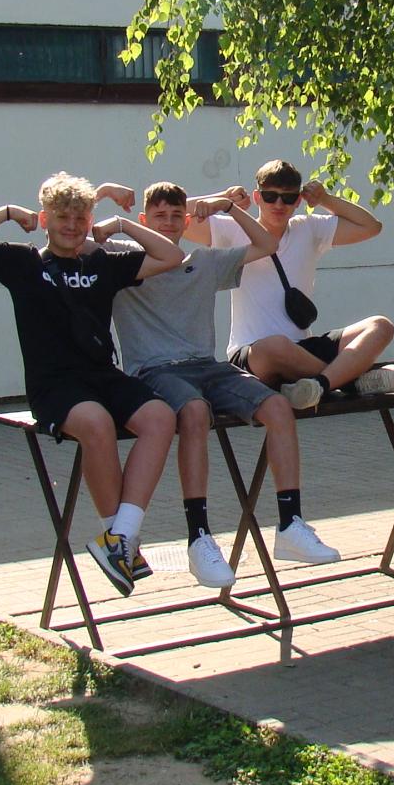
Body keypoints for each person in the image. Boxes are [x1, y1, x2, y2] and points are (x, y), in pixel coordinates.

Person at [0, 174, 184, 597]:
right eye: (61, 217)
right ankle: (118, 540)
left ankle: (121, 537)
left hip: (103, 375)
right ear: (45, 220)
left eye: (79, 218)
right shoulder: (23, 263)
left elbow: (171, 255)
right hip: (54, 385)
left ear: (89, 221)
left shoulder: (102, 263)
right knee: (96, 423)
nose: (71, 226)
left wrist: (120, 225)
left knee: (161, 417)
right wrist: (6, 213)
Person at [109, 181, 341, 588]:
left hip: (207, 366)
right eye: (159, 216)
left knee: (278, 408)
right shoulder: (124, 261)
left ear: (187, 220)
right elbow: (73, 235)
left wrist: (229, 209)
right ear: (144, 220)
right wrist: (110, 205)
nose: (168, 223)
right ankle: (199, 537)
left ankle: (290, 525)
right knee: (195, 412)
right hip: (156, 370)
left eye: (176, 215)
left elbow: (266, 245)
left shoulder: (203, 260)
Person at [187, 159, 394, 409]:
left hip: (303, 349)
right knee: (276, 345)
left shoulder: (308, 227)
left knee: (380, 326)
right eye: (270, 196)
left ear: (298, 201)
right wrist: (223, 198)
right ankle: (351, 382)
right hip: (253, 354)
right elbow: (167, 218)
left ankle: (318, 385)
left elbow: (371, 227)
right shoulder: (233, 228)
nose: (279, 205)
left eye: (288, 198)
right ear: (257, 197)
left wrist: (324, 199)